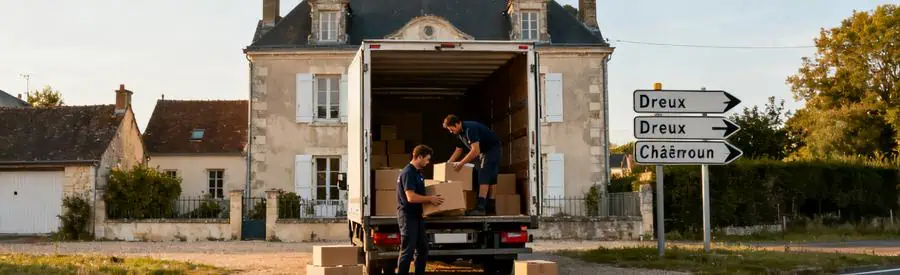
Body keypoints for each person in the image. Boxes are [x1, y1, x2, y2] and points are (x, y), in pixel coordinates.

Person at [397, 144, 444, 275]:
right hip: (408, 216)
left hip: (417, 216)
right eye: (427, 159)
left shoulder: (418, 173)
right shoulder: (408, 173)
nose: (428, 162)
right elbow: (410, 197)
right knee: (408, 250)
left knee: (422, 249)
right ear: (419, 157)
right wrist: (430, 199)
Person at [443, 114, 502, 216]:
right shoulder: (460, 133)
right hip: (484, 151)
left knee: (484, 175)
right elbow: (459, 149)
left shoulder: (470, 129)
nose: (450, 132)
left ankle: (481, 208)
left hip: (492, 149)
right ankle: (491, 207)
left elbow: (475, 151)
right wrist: (448, 163)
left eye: (451, 129)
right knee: (491, 177)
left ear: (457, 124)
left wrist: (461, 163)